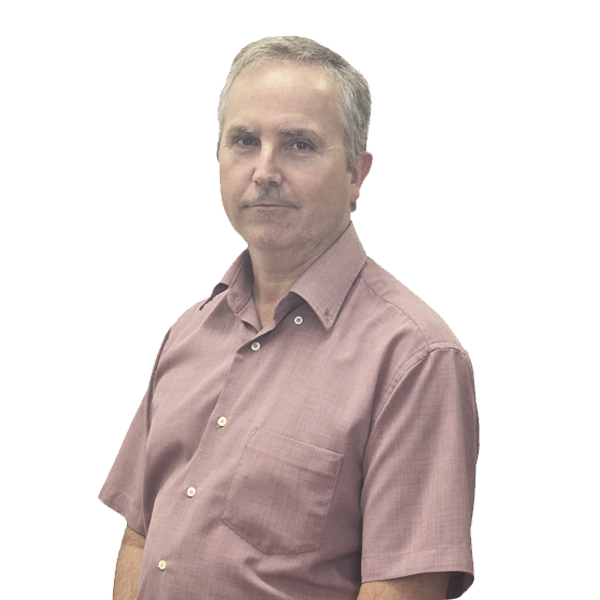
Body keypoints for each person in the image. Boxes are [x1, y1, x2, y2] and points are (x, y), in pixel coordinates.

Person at [100, 35, 480, 600]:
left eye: (299, 144)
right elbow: (139, 536)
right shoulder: (188, 333)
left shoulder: (414, 358)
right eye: (244, 141)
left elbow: (402, 589)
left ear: (357, 175)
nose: (264, 170)